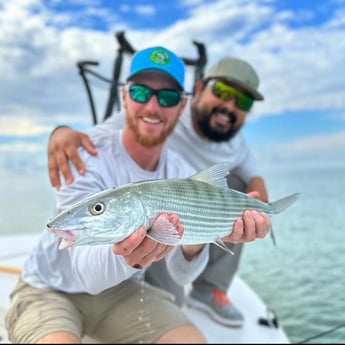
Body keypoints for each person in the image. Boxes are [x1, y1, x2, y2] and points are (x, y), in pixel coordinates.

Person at [5, 46, 270, 344]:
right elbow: (88, 274)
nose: (153, 108)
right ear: (124, 97)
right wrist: (59, 130)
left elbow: (181, 276)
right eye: (141, 93)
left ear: (181, 106)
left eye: (167, 97)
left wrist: (195, 239)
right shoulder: (82, 153)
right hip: (51, 288)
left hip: (123, 292)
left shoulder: (181, 170)